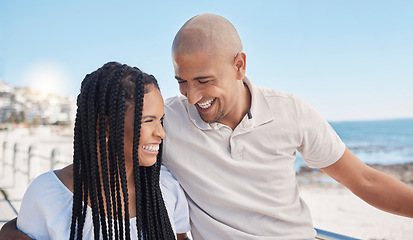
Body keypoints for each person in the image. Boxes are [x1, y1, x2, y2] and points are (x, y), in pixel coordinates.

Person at [2, 13, 413, 240]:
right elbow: (119, 124)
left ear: (240, 65)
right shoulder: (168, 120)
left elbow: (366, 181)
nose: (192, 96)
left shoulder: (291, 113)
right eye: (181, 81)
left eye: (204, 81)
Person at [1, 62, 190, 240]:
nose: (161, 133)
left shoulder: (166, 187)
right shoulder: (48, 194)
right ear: (105, 126)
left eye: (161, 120)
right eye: (148, 120)